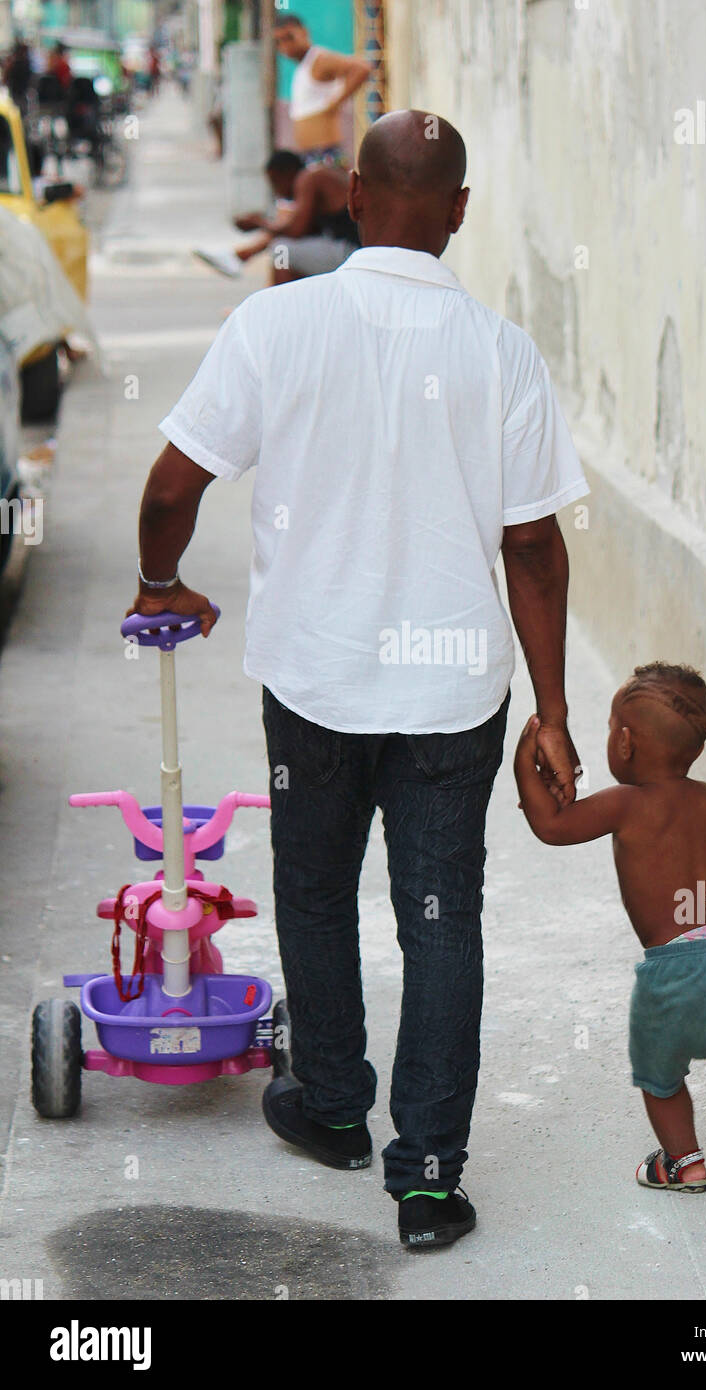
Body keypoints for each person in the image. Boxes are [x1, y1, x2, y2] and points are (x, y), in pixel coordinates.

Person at [129, 109, 588, 1250]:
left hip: (316, 675)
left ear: (349, 196)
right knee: (440, 921)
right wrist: (553, 708)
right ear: (460, 213)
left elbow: (173, 485)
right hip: (450, 699)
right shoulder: (500, 351)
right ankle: (426, 1177)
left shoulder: (275, 323)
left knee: (317, 887)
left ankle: (331, 1103)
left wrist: (158, 583)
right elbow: (531, 547)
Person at [514, 662, 706, 1221]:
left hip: (673, 973)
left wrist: (526, 762)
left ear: (623, 740)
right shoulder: (705, 798)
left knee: (660, 1075)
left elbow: (551, 826)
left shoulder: (624, 802)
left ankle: (684, 1162)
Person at [195, 150, 359, 282]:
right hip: (347, 249)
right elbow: (299, 228)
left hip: (351, 251)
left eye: (274, 182)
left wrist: (259, 223)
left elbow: (295, 230)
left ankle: (274, 305)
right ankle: (238, 258)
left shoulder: (309, 178)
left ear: (285, 175)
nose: (275, 190)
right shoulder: (316, 176)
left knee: (281, 250)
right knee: (284, 251)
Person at [273, 12, 371, 167]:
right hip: (309, 155)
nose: (285, 46)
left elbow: (362, 68)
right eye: (279, 42)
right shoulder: (302, 66)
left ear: (304, 32)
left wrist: (336, 103)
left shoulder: (319, 60)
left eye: (289, 37)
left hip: (325, 154)